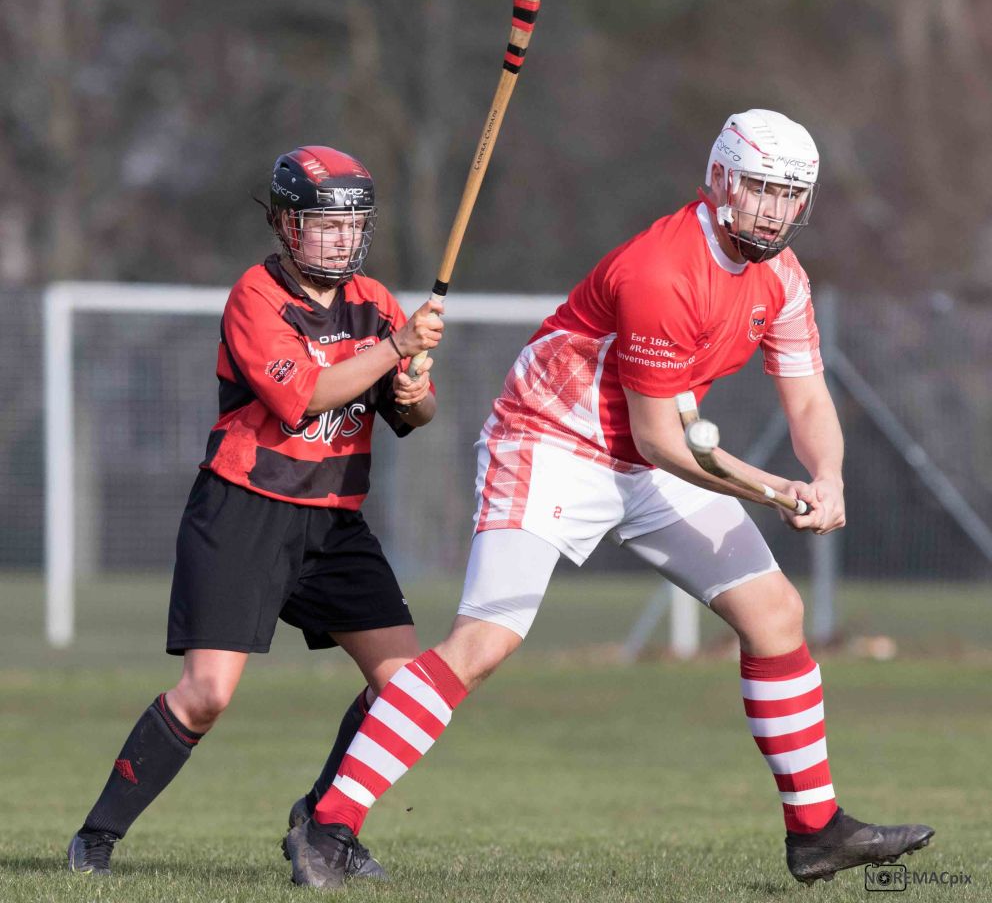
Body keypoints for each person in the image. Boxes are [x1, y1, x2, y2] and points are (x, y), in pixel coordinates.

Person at [284, 111, 934, 889]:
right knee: (484, 642)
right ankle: (328, 826)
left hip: (646, 456)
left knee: (775, 615)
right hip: (550, 442)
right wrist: (773, 490)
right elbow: (663, 440)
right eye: (760, 188)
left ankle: (816, 832)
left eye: (790, 195)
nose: (774, 210)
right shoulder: (662, 270)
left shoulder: (784, 278)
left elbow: (806, 398)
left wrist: (827, 476)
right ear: (720, 180)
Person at [67, 145, 444, 880]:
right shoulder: (256, 297)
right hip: (245, 512)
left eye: (352, 225)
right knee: (207, 695)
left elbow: (417, 412)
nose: (341, 239)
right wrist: (396, 347)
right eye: (324, 224)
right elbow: (302, 396)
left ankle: (323, 822)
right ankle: (96, 837)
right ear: (284, 224)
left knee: (405, 691)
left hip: (333, 520)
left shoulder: (376, 301)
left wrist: (411, 389)